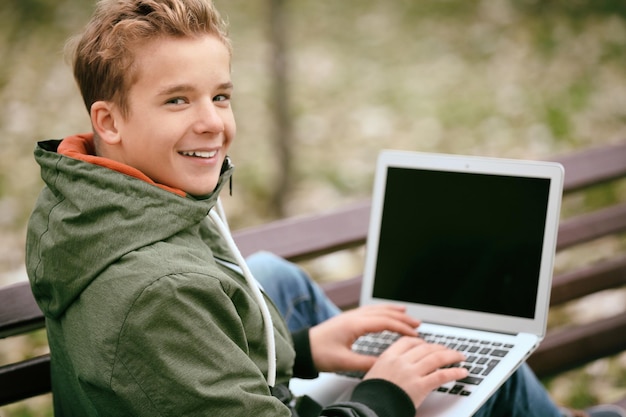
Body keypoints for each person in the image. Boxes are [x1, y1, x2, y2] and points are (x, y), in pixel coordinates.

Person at [23, 0, 625, 416]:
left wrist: (308, 349)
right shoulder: (159, 293)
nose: (212, 122)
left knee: (408, 336)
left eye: (221, 95)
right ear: (110, 121)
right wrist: (386, 394)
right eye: (177, 100)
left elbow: (195, 374)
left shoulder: (101, 198)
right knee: (442, 361)